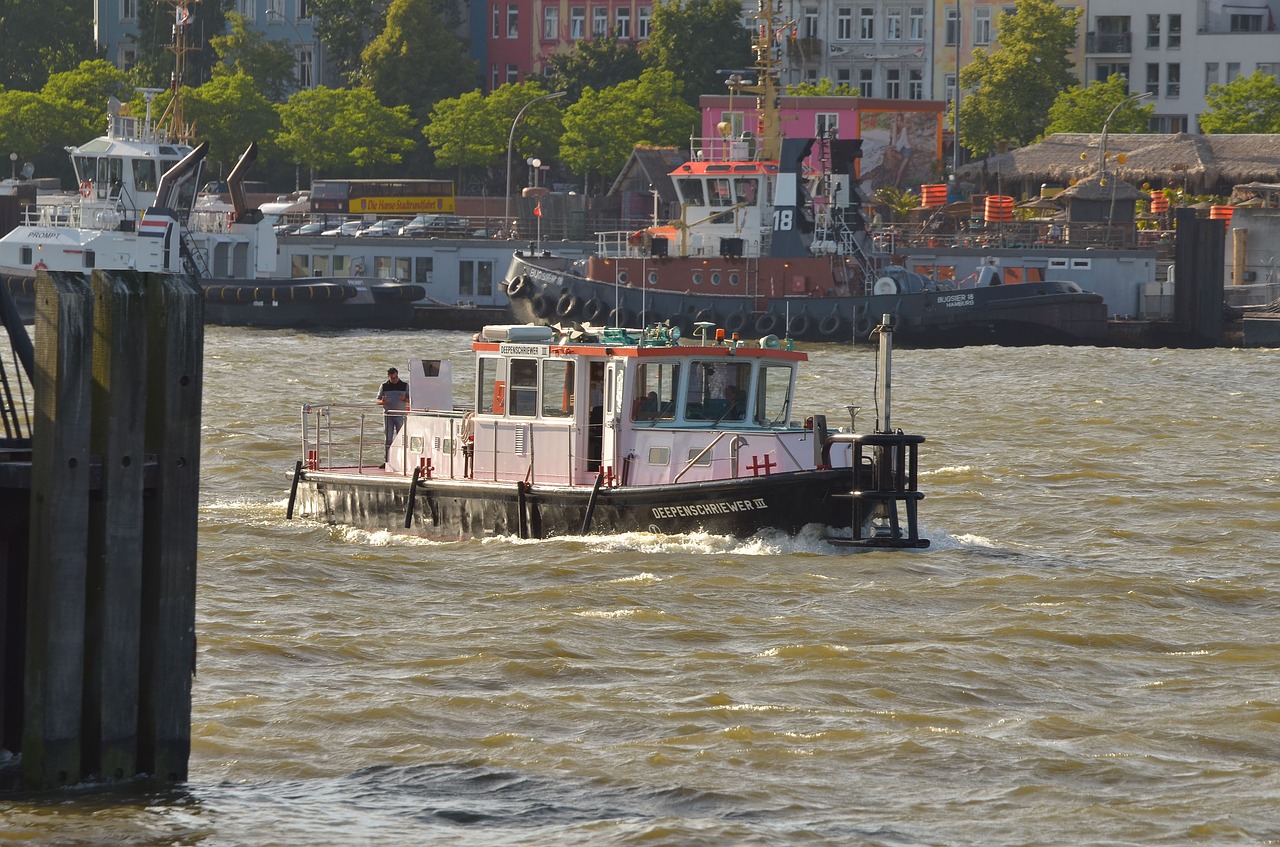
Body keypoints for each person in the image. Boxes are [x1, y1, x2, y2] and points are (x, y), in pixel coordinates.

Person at [376, 367, 410, 465]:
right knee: (388, 439)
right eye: (392, 378)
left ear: (397, 375)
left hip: (400, 415)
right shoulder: (384, 386)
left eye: (395, 378)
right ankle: (387, 461)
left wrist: (405, 399)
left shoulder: (404, 385)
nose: (394, 380)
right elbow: (377, 400)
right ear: (389, 377)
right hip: (388, 415)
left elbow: (411, 400)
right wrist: (382, 401)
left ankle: (402, 461)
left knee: (401, 438)